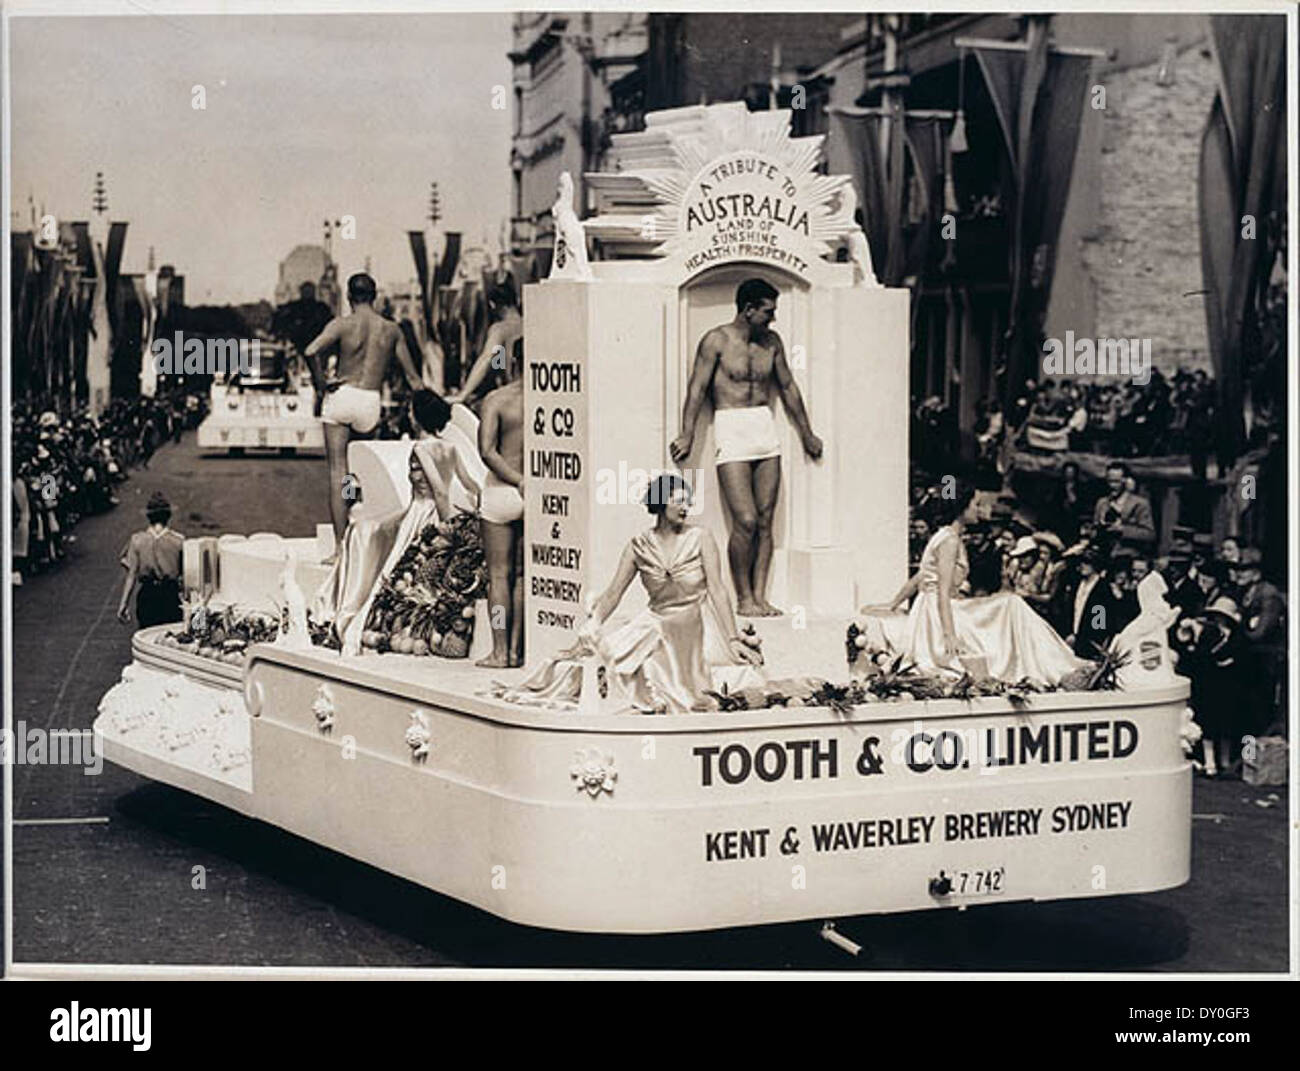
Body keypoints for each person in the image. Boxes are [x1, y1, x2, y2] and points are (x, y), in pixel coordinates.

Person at [495, 475, 763, 713]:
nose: (685, 507)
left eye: (688, 501)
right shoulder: (638, 546)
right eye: (678, 500)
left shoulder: (701, 537)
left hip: (697, 624)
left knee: (686, 680)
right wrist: (593, 624)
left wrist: (732, 639)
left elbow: (717, 590)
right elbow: (614, 593)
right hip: (656, 623)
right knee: (606, 660)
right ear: (660, 502)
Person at [670, 277, 823, 617]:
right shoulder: (716, 341)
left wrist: (807, 433)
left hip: (764, 428)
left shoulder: (772, 342)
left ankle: (759, 597)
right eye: (768, 311)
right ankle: (743, 598)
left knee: (766, 519)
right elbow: (697, 390)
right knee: (747, 520)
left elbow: (788, 387)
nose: (773, 318)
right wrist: (687, 434)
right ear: (748, 309)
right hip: (731, 427)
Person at [863, 484, 1085, 686]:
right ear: (962, 508)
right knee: (1012, 605)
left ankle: (1053, 662)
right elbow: (941, 591)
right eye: (975, 505)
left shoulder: (944, 536)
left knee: (1010, 603)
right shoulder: (949, 540)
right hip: (939, 613)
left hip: (937, 607)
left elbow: (921, 577)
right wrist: (949, 634)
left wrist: (894, 603)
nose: (979, 510)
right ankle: (1054, 665)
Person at [304, 272, 424, 544]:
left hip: (342, 396)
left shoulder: (342, 324)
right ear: (375, 296)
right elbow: (413, 378)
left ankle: (341, 545)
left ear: (349, 296)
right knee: (359, 470)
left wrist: (321, 383)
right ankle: (361, 540)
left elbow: (311, 351)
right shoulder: (391, 330)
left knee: (339, 471)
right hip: (370, 401)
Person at [477, 371, 525, 668]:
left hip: (502, 491)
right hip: (535, 493)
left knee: (498, 576)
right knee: (521, 577)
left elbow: (487, 451)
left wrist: (517, 480)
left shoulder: (497, 399)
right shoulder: (549, 398)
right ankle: (516, 651)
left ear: (514, 361)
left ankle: (499, 650)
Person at [448, 282, 523, 407]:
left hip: (511, 396)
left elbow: (487, 358)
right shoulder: (530, 323)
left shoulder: (500, 329)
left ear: (492, 305)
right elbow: (497, 364)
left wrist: (464, 394)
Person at [117, 491, 185, 628]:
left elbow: (131, 575)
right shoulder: (179, 541)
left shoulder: (137, 540)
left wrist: (124, 604)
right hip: (170, 595)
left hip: (147, 595)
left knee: (147, 631)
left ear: (149, 517)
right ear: (168, 516)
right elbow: (185, 576)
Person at [1093, 461, 1155, 549]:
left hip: (1128, 555)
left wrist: (1122, 529)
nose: (1112, 486)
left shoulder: (1140, 504)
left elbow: (1149, 535)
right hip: (1104, 554)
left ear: (1126, 481)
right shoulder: (1102, 503)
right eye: (1109, 481)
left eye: (1116, 482)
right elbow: (1094, 531)